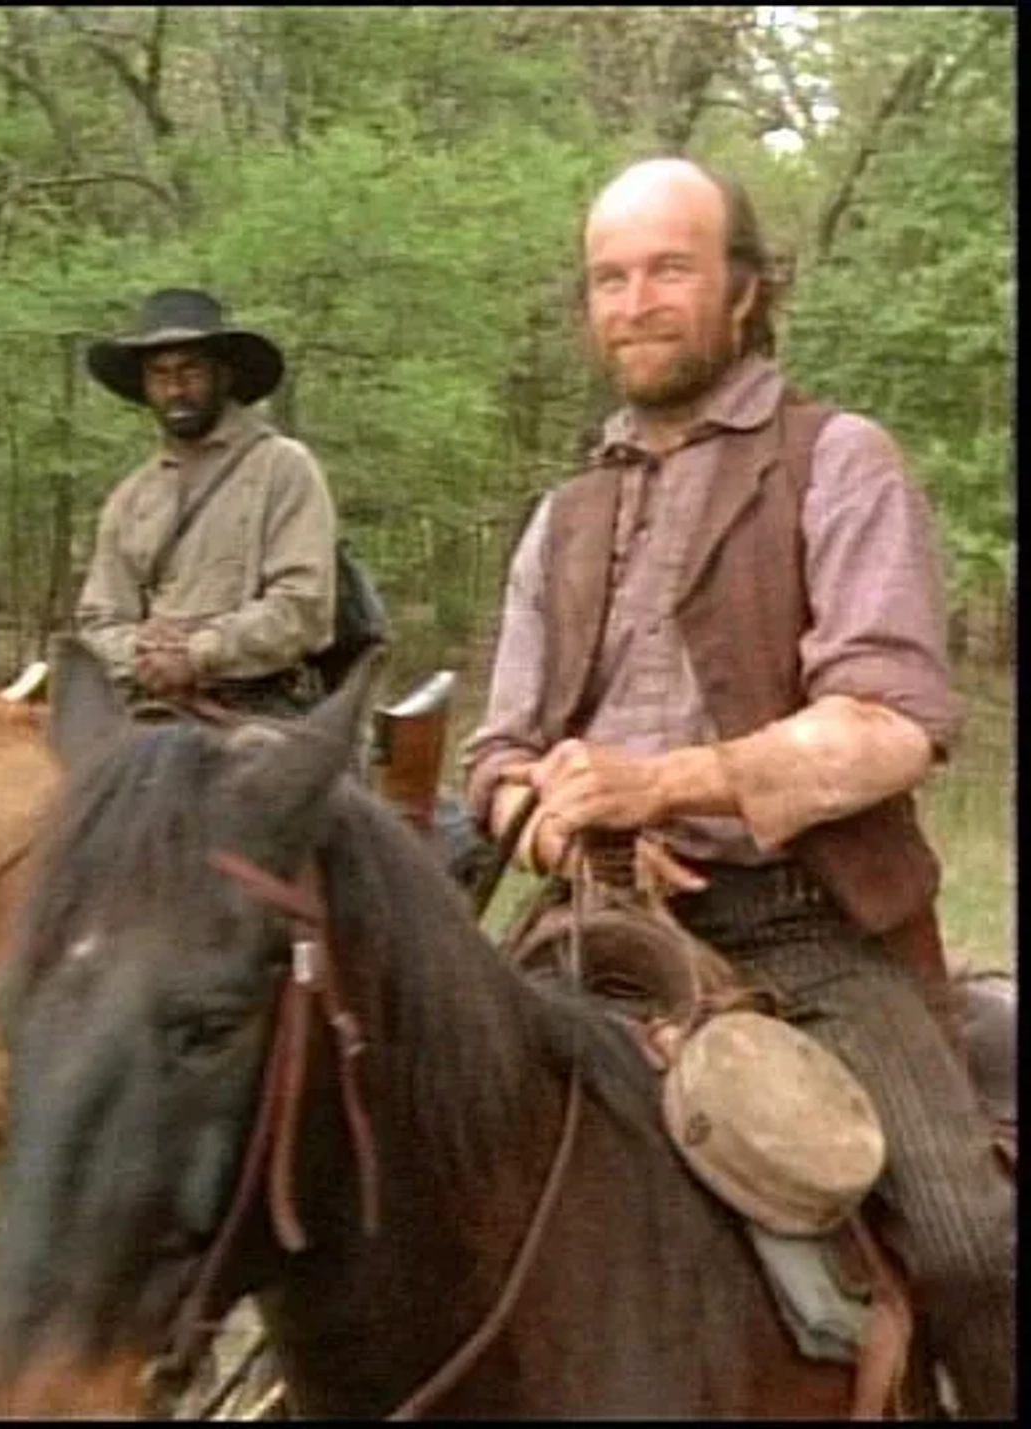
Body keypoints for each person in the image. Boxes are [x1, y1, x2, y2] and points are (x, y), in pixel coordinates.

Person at [461, 155, 1013, 1417]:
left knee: (972, 1244)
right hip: (586, 923)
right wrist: (561, 826)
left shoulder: (839, 460)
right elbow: (499, 761)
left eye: (669, 269)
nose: (636, 301)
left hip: (806, 930)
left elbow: (892, 723)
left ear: (748, 293)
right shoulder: (564, 516)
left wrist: (659, 786)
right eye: (610, 277)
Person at [75, 288, 339, 718]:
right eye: (159, 375)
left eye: (190, 371)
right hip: (146, 702)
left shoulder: (283, 467)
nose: (175, 389)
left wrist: (200, 653)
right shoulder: (132, 496)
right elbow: (99, 619)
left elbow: (302, 607)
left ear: (224, 376)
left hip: (260, 704)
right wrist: (141, 651)